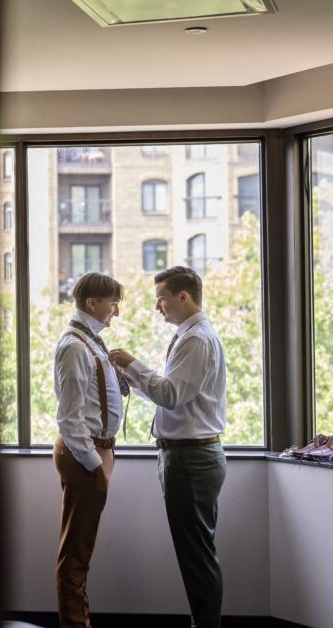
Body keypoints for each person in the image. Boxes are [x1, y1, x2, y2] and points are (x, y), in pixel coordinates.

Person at [109, 266, 227, 628]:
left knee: (197, 557)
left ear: (183, 297)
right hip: (185, 456)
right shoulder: (189, 336)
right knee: (196, 554)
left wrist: (132, 362)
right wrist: (134, 379)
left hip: (191, 459)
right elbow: (171, 394)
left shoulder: (196, 339)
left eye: (161, 298)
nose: (157, 306)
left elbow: (172, 395)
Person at [52, 272, 128, 628]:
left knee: (82, 549)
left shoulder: (91, 342)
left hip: (96, 452)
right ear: (91, 304)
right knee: (76, 555)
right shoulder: (74, 346)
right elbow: (69, 418)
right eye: (112, 302)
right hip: (86, 455)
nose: (116, 310)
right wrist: (95, 465)